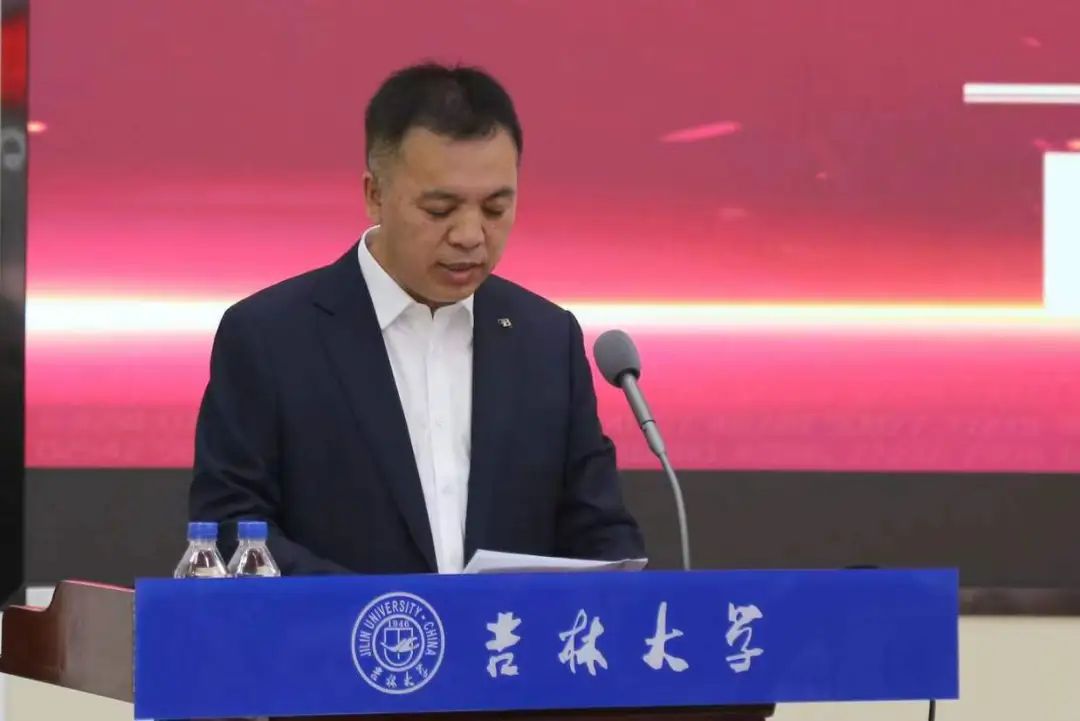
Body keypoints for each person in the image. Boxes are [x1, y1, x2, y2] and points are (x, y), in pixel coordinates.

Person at [189, 63, 644, 574]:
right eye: (440, 209)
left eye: (495, 209)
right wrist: (387, 609)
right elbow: (231, 529)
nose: (470, 235)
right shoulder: (270, 338)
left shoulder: (547, 341)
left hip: (507, 630)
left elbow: (599, 531)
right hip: (339, 628)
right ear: (374, 195)